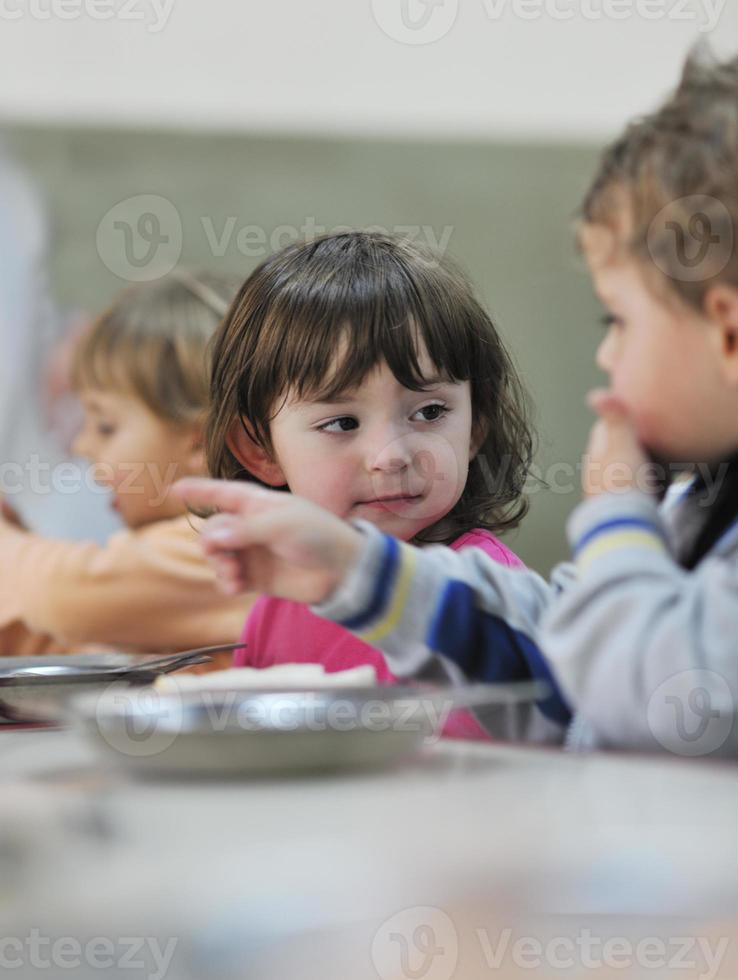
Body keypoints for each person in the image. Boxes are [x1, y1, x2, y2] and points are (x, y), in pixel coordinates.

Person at [176, 50, 738, 757]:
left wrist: (617, 521)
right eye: (341, 421)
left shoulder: (646, 526)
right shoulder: (693, 501)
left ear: (728, 334)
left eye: (618, 322)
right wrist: (357, 573)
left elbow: (654, 700)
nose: (606, 355)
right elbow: (558, 656)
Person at [201, 231, 540, 738]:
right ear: (261, 451)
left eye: (429, 412)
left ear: (476, 426)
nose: (391, 457)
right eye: (342, 423)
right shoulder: (281, 600)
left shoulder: (480, 595)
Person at [0, 272, 253, 660]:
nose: (83, 446)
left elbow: (63, 596)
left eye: (105, 426)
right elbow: (89, 649)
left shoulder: (226, 548)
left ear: (200, 440)